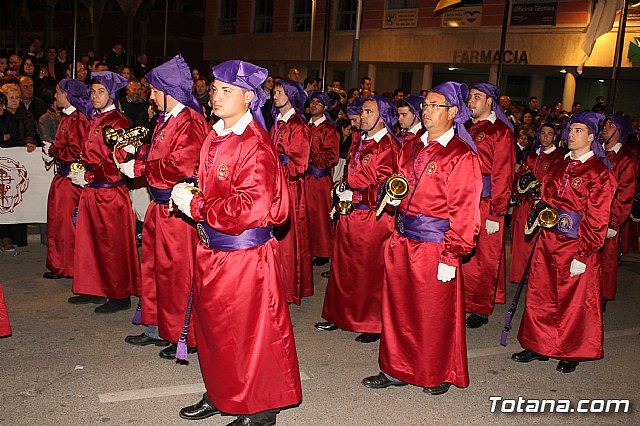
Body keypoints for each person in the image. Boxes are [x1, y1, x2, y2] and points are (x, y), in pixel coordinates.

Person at [171, 59, 302, 426]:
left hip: (243, 257)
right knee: (216, 332)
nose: (216, 96)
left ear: (248, 97)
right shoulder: (216, 135)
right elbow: (217, 189)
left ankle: (258, 409)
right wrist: (191, 190)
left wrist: (195, 205)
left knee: (249, 335)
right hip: (214, 251)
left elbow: (250, 206)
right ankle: (222, 391)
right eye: (214, 89)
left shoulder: (255, 145)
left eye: (227, 90)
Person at [362, 81, 482, 395]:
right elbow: (398, 183)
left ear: (453, 113)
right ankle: (395, 368)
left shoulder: (462, 155)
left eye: (435, 106)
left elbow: (466, 212)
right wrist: (386, 193)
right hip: (403, 238)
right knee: (399, 308)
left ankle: (435, 371)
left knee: (432, 313)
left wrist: (453, 254)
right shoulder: (411, 144)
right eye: (425, 105)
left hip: (435, 245)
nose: (427, 111)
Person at [512, 111, 616, 374]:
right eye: (570, 130)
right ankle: (538, 345)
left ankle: (571, 350)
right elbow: (547, 196)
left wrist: (585, 253)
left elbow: (597, 218)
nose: (571, 135)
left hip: (576, 243)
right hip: (547, 240)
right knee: (540, 295)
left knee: (573, 301)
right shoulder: (560, 163)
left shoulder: (599, 173)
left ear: (592, 137)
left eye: (579, 131)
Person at [120, 55, 208, 359]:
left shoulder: (191, 122)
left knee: (177, 274)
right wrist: (138, 152)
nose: (152, 96)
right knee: (155, 268)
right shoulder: (166, 119)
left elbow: (180, 164)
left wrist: (142, 167)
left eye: (156, 90)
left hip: (177, 211)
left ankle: (182, 334)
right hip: (160, 207)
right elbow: (160, 153)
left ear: (171, 91)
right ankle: (157, 326)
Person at [316, 96, 399, 343]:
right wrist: (342, 188)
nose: (362, 116)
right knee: (343, 268)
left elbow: (388, 187)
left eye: (368, 112)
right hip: (350, 213)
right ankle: (340, 316)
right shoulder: (361, 141)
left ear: (382, 116)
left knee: (369, 272)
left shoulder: (388, 147)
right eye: (361, 111)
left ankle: (372, 322)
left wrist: (358, 193)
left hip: (373, 217)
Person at [67, 71, 141, 314]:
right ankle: (94, 287)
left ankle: (119, 293)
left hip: (108, 192)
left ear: (111, 95)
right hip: (92, 190)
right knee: (90, 242)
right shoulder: (95, 118)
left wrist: (88, 175)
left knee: (111, 245)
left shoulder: (117, 122)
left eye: (101, 91)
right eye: (94, 91)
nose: (95, 95)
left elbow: (116, 162)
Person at [461, 81, 515, 328]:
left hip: (486, 201)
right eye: (470, 96)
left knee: (484, 257)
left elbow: (503, 173)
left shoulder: (500, 131)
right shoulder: (467, 128)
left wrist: (497, 212)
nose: (471, 101)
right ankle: (460, 300)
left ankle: (479, 307)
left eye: (476, 96)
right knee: (463, 252)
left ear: (489, 101)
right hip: (464, 199)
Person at [41, 79, 89, 279]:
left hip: (70, 180)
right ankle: (61, 264)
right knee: (59, 223)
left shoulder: (77, 119)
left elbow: (77, 151)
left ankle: (69, 266)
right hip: (64, 177)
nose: (55, 95)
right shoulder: (68, 117)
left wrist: (53, 150)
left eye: (58, 92)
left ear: (68, 95)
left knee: (66, 225)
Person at [270, 79, 313, 305]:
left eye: (280, 92)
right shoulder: (277, 122)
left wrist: (275, 166)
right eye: (275, 92)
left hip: (290, 187)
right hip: (275, 184)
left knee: (287, 240)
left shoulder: (298, 125)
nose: (275, 95)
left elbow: (300, 164)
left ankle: (286, 289)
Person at [509, 122, 564, 283]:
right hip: (525, 203)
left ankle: (534, 276)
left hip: (541, 205)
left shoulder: (558, 157)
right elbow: (521, 174)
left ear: (555, 136)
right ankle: (519, 275)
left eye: (549, 134)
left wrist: (540, 188)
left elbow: (554, 181)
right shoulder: (532, 155)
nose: (545, 137)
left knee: (536, 242)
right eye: (543, 133)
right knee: (520, 240)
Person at [600, 115, 638, 308]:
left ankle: (603, 295)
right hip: (590, 213)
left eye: (610, 125)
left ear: (619, 131)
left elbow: (626, 191)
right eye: (605, 124)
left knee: (606, 257)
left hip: (609, 214)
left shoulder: (625, 158)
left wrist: (615, 220)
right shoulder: (597, 152)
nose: (605, 127)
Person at [305, 91, 339, 266]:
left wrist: (309, 157)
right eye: (312, 102)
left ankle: (324, 251)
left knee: (320, 216)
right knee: (306, 215)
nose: (314, 105)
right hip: (304, 178)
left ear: (325, 107)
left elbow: (332, 156)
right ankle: (308, 248)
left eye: (318, 103)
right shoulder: (305, 126)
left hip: (319, 179)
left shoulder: (328, 129)